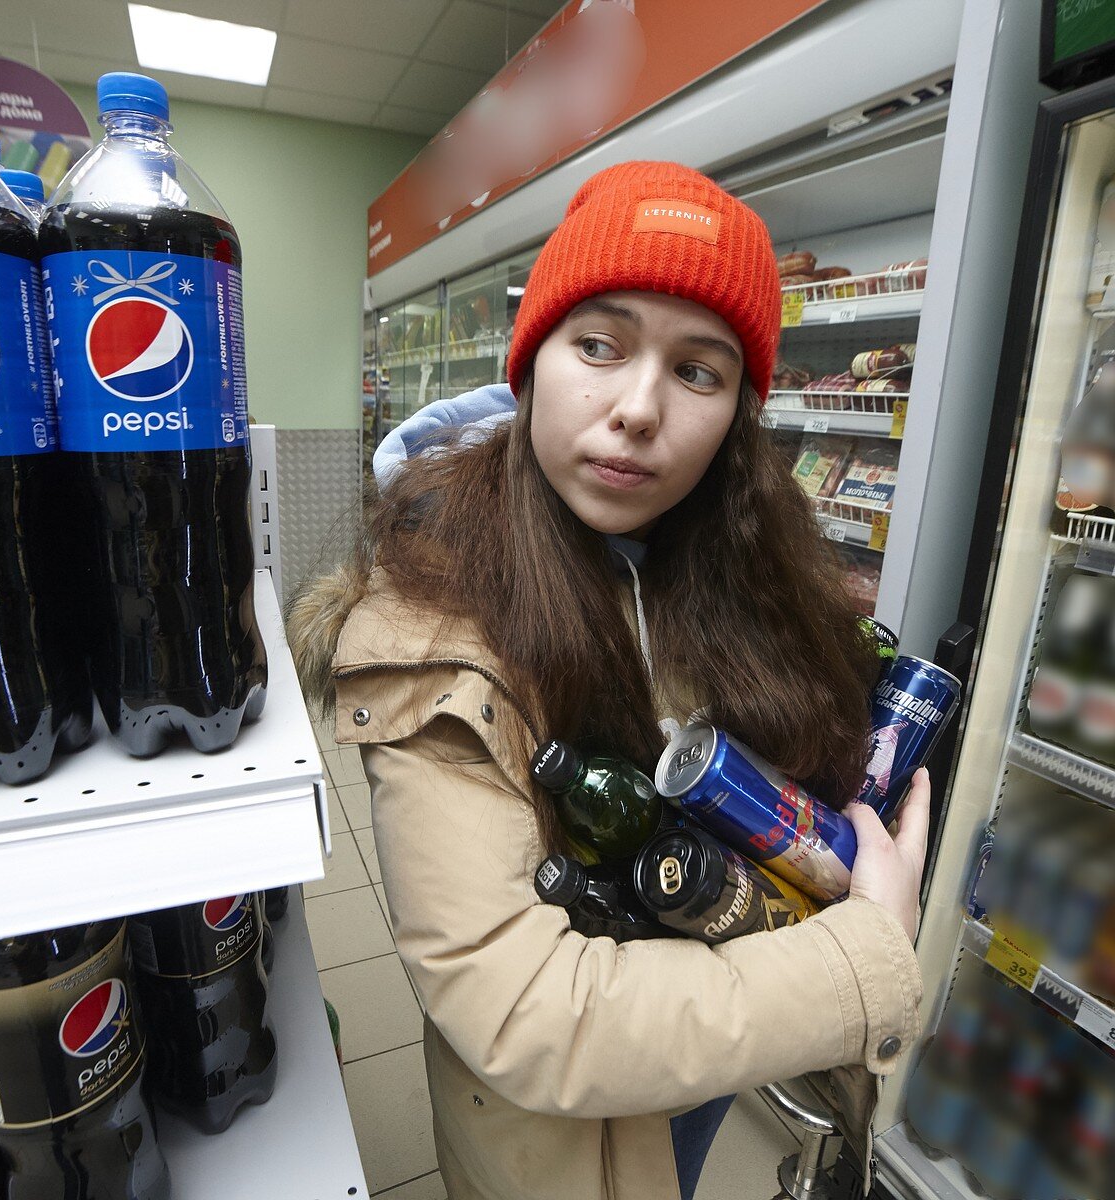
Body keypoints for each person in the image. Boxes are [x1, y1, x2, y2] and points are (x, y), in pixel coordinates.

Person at [288, 161, 926, 1200]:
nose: (637, 409)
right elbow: (522, 1004)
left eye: (699, 371)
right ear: (533, 358)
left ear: (735, 417)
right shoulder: (432, 626)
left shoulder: (727, 561)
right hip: (561, 1129)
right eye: (600, 344)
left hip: (716, 1044)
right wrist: (861, 957)